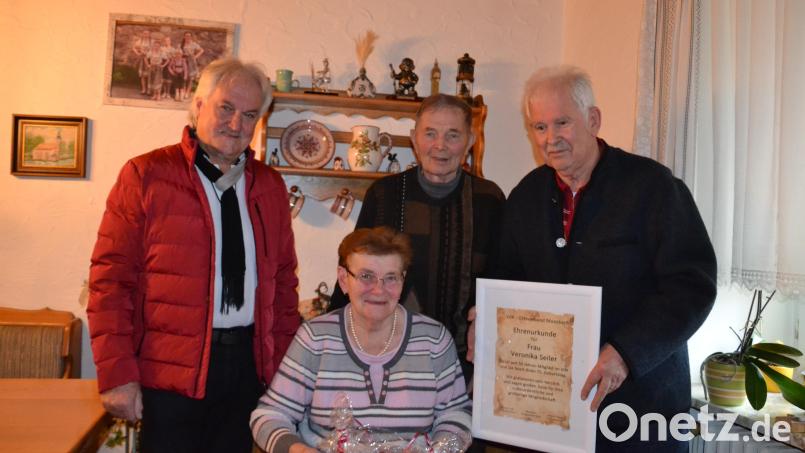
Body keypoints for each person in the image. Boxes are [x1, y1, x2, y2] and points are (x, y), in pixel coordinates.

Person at [486, 65, 717, 452]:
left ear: (593, 120)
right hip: (554, 410)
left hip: (642, 409)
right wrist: (487, 321)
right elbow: (505, 281)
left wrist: (626, 353)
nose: (550, 139)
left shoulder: (653, 187)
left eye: (562, 123)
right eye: (539, 127)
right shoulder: (525, 196)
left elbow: (692, 287)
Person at [87, 57, 300, 453]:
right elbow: (111, 283)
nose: (236, 124)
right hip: (169, 373)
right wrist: (117, 375)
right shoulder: (146, 175)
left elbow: (283, 287)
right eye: (226, 108)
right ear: (198, 105)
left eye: (249, 114)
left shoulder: (270, 186)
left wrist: (287, 376)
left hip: (247, 369)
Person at [328, 94, 505, 381]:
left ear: (470, 141)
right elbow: (353, 270)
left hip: (467, 363)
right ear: (414, 138)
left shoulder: (490, 200)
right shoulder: (383, 195)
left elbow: (504, 278)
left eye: (453, 135)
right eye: (430, 133)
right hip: (387, 358)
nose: (440, 146)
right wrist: (334, 345)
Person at [251, 227, 472, 453]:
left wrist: (442, 450)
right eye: (366, 276)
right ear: (344, 279)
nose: (379, 290)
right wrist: (298, 450)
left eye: (390, 278)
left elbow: (456, 415)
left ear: (403, 280)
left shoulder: (433, 340)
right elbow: (270, 415)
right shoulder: (315, 338)